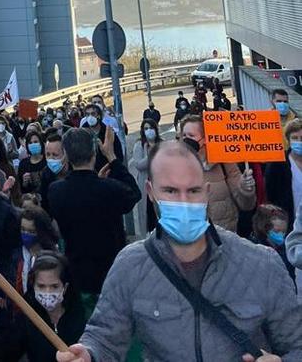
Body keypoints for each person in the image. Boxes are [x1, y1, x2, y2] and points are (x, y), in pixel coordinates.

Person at [55, 140, 302, 362]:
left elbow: (296, 345)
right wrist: (88, 353)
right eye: (171, 191)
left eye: (193, 191)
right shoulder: (130, 265)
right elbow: (104, 337)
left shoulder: (261, 263)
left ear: (206, 192)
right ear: (151, 193)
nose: (183, 202)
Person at [48, 128, 141, 300]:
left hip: (78, 275)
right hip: (112, 273)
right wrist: (112, 157)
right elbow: (134, 193)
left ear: (67, 156)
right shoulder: (109, 189)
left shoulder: (56, 191)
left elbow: (82, 196)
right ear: (94, 154)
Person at [180, 114, 256, 232]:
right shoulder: (177, 165)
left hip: (225, 235)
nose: (186, 140)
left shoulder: (224, 162)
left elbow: (246, 205)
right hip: (193, 236)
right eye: (184, 135)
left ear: (205, 139)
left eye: (191, 135)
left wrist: (246, 189)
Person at [12, 252, 86, 361]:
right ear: (34, 286)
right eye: (41, 286)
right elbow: (6, 353)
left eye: (54, 286)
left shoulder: (82, 317)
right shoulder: (26, 318)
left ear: (65, 287)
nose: (47, 292)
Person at [128, 119, 162, 239]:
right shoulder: (140, 145)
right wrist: (151, 154)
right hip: (146, 184)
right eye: (146, 129)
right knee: (148, 214)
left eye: (151, 128)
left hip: (161, 183)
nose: (149, 131)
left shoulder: (162, 144)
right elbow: (139, 165)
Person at [265, 117, 302, 223]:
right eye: (295, 138)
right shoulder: (277, 165)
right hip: (290, 224)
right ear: (288, 140)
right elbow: (271, 196)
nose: (299, 142)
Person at [17, 205, 58, 294]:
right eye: (23, 230)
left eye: (31, 231)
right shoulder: (17, 254)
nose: (26, 235)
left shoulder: (53, 259)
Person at [252, 203, 295, 284]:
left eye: (283, 232)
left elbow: (291, 276)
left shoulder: (287, 248)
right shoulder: (254, 248)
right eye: (277, 231)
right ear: (265, 229)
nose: (281, 235)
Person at [79, 104, 123, 171]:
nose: (90, 117)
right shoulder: (82, 134)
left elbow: (119, 155)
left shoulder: (108, 132)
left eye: (93, 114)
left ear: (99, 116)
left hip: (109, 171)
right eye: (87, 114)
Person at [40, 132, 68, 216]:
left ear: (66, 154)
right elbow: (44, 203)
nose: (51, 159)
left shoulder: (76, 171)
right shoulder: (46, 173)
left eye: (55, 155)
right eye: (48, 155)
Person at [18, 128, 46, 196]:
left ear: (41, 143)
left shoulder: (48, 160)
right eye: (30, 143)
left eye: (36, 142)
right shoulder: (23, 164)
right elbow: (21, 189)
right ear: (27, 146)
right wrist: (24, 183)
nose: (33, 144)